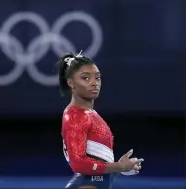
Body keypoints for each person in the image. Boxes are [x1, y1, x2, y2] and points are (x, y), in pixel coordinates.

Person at [57, 52, 144, 189]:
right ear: (71, 83)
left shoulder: (89, 113)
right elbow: (78, 164)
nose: (94, 83)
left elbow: (96, 161)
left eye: (97, 78)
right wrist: (119, 166)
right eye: (85, 78)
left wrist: (120, 169)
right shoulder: (75, 115)